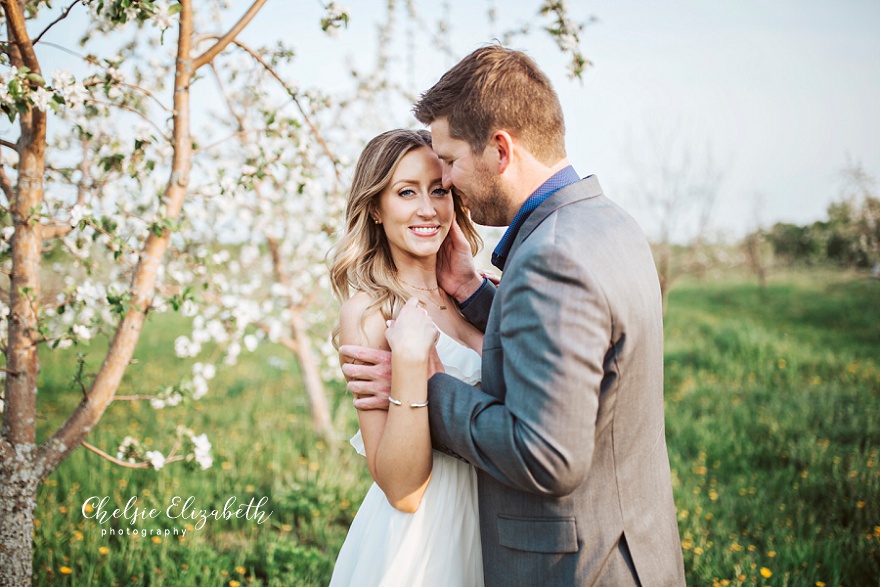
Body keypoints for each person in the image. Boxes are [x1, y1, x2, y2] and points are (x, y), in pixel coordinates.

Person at [339, 45, 687, 586]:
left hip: (579, 555)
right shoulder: (607, 224)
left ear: (499, 150)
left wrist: (426, 382)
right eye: (408, 192)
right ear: (376, 208)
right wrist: (474, 293)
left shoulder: (550, 256)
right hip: (435, 550)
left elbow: (547, 452)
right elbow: (559, 338)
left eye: (446, 169)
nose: (441, 195)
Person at [328, 129, 486, 586]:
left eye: (439, 190)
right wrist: (412, 367)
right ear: (376, 208)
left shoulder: (478, 293)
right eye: (406, 192)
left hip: (498, 519)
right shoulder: (371, 314)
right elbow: (402, 491)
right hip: (425, 541)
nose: (427, 209)